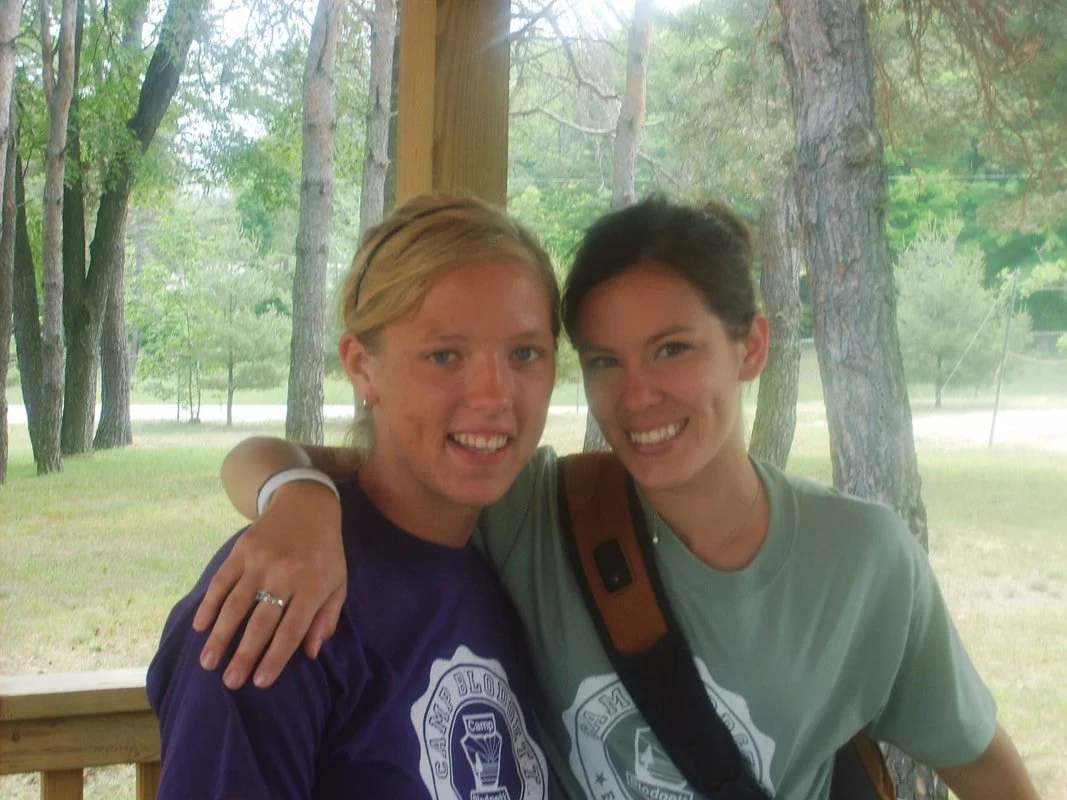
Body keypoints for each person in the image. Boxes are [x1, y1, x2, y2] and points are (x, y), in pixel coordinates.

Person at [197, 197, 1040, 799]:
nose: (636, 397)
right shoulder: (532, 513)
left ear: (750, 347)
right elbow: (377, 469)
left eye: (672, 349)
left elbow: (985, 768)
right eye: (603, 360)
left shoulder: (862, 561)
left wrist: (295, 491)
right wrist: (295, 497)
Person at [146, 194, 559, 799]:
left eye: (525, 353)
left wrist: (293, 483)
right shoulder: (283, 590)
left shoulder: (515, 554)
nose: (494, 395)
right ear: (362, 367)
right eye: (444, 355)